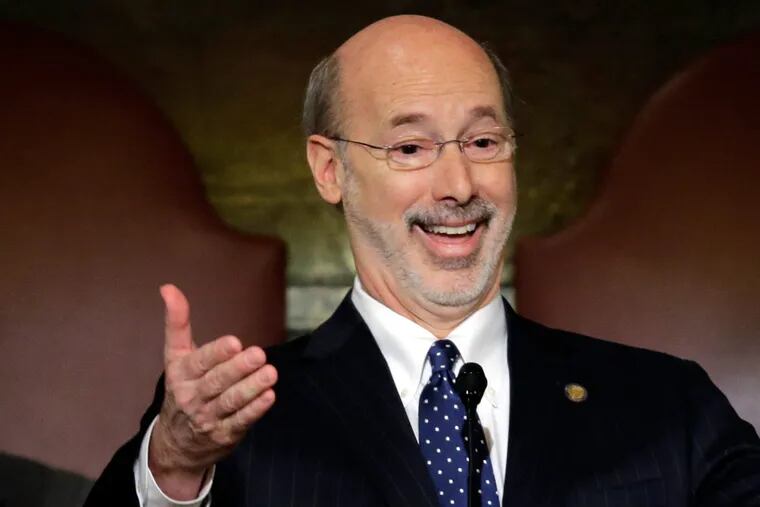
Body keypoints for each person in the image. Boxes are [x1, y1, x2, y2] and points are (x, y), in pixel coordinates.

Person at [85, 15, 760, 507]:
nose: (459, 186)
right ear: (330, 169)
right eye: (410, 149)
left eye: (483, 142)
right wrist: (173, 469)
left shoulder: (667, 406)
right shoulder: (235, 427)